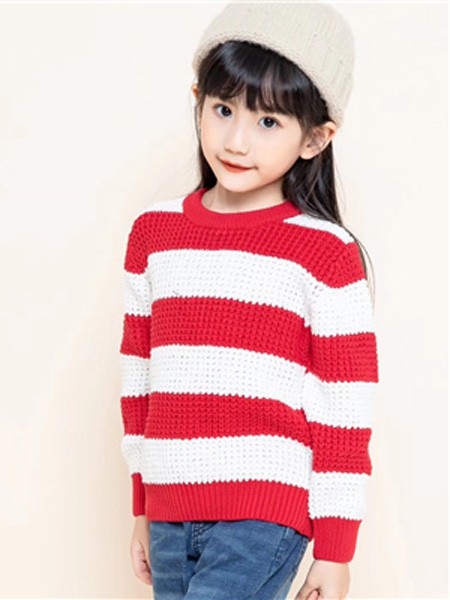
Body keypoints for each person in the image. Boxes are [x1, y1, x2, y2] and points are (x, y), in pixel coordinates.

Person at [119, 2, 379, 599]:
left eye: (268, 121)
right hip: (169, 509)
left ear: (315, 138)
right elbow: (140, 380)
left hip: (264, 513)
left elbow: (345, 409)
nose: (236, 140)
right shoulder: (154, 235)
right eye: (223, 109)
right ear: (198, 102)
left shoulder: (325, 253)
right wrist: (143, 505)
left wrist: (335, 550)